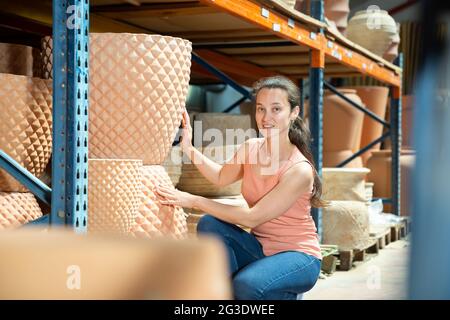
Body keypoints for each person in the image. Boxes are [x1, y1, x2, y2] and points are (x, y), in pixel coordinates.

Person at [155, 76, 326, 300]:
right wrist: (187, 147)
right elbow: (219, 177)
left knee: (246, 285)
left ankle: (279, 293)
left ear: (293, 113)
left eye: (276, 109)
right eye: (261, 109)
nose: (266, 118)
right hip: (260, 249)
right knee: (209, 224)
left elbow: (252, 218)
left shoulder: (299, 170)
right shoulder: (251, 148)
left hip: (298, 256)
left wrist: (194, 200)